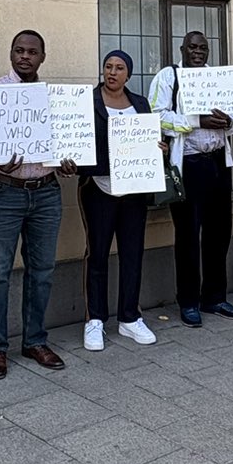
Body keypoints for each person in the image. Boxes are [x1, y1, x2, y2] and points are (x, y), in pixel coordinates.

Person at [0, 30, 77, 379]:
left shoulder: (57, 98)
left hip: (46, 191)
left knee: (42, 271)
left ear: (43, 57)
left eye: (32, 52)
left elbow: (73, 137)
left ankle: (34, 340)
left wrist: (71, 161)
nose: (25, 56)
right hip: (3, 191)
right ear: (10, 53)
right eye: (19, 50)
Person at [150, 30, 233, 326]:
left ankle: (215, 297)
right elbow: (156, 115)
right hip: (188, 166)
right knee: (189, 235)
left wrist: (229, 122)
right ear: (182, 49)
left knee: (220, 233)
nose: (197, 52)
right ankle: (189, 301)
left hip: (218, 162)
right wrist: (196, 121)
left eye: (203, 48)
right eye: (192, 47)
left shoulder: (219, 78)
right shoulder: (169, 77)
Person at [75, 50, 160, 351]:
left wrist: (156, 148)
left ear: (129, 74)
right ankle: (94, 319)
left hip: (134, 189)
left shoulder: (140, 103)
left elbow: (149, 139)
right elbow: (76, 138)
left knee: (133, 253)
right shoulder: (87, 102)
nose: (112, 72)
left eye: (119, 67)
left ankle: (129, 317)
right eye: (108, 67)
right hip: (99, 187)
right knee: (97, 253)